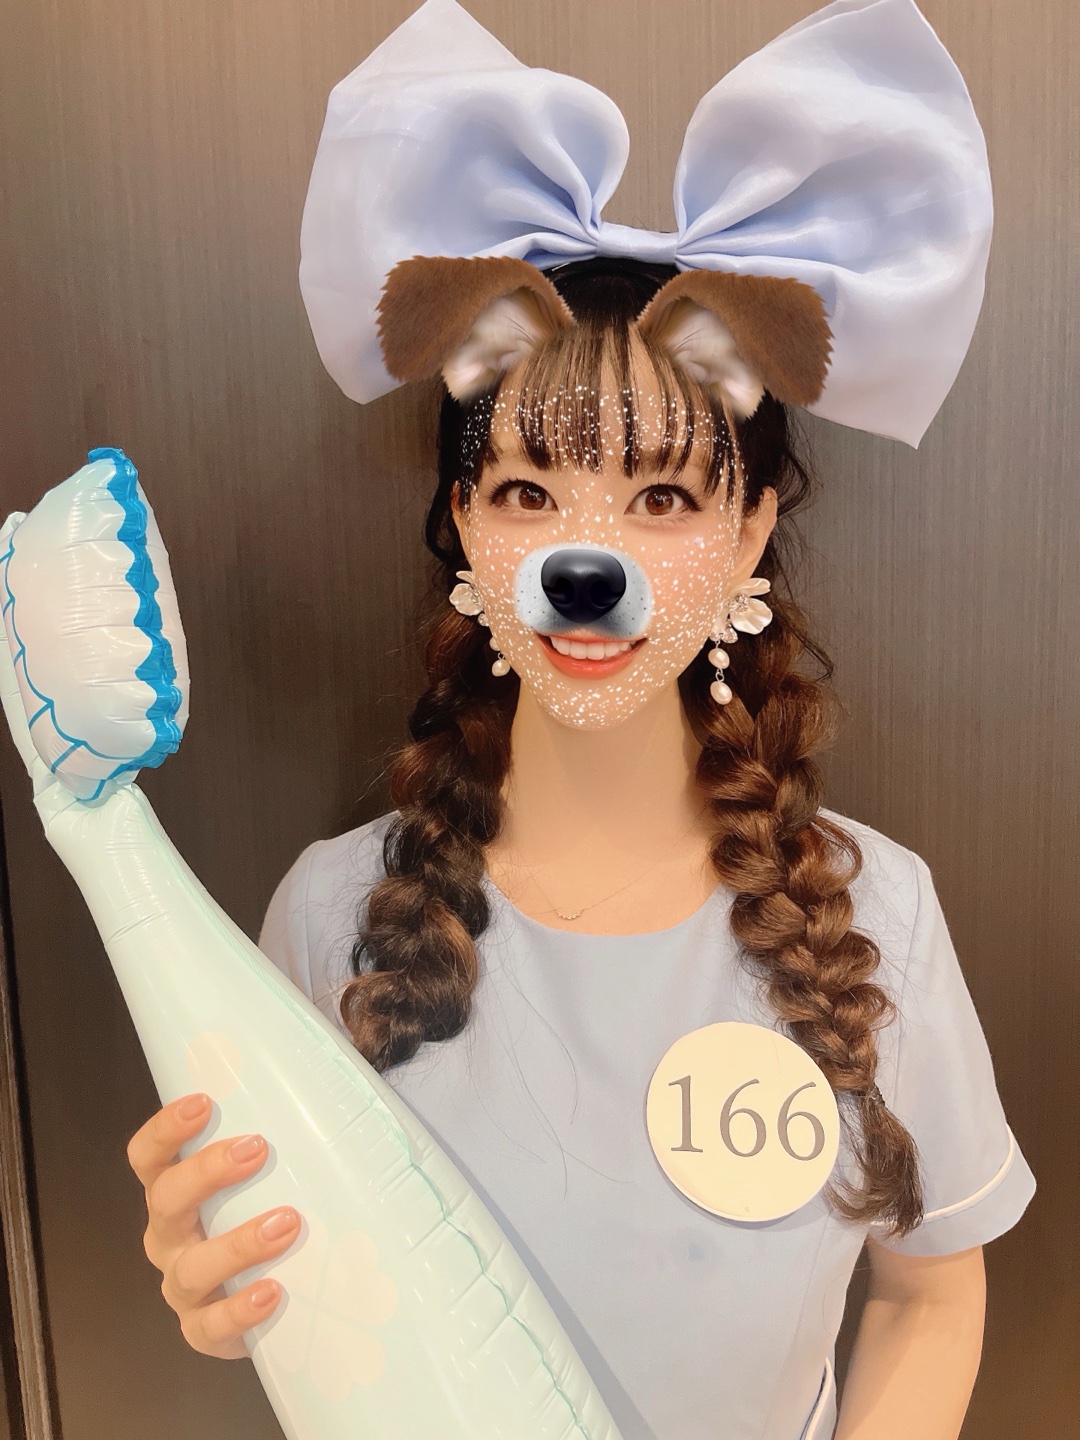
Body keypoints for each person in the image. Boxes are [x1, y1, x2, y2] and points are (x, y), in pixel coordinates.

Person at [125, 4, 1035, 1438]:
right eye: (527, 492)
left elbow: (934, 1296)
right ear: (465, 526)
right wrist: (226, 1286)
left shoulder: (878, 920)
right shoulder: (328, 916)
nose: (584, 551)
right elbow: (303, 1301)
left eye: (662, 497)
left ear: (751, 533)